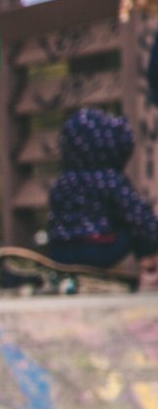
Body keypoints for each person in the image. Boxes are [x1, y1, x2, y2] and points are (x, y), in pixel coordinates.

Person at [45, 107, 158, 289]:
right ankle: (149, 270)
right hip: (100, 250)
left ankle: (68, 280)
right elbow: (137, 217)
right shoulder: (109, 179)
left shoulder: (62, 182)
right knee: (135, 225)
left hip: (61, 251)